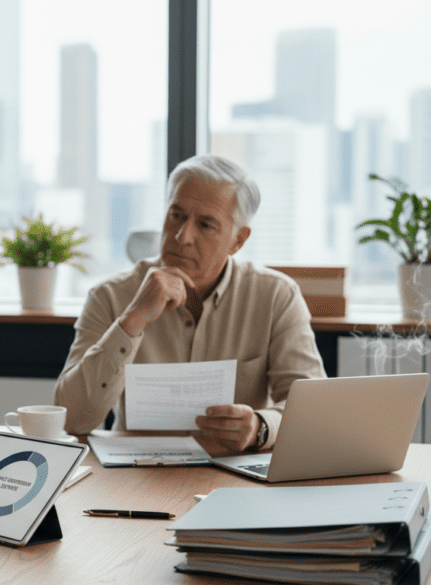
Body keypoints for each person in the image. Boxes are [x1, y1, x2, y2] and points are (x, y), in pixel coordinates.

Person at [54, 154, 326, 453]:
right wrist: (132, 320)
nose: (183, 237)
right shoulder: (110, 295)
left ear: (238, 240)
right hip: (134, 477)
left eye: (206, 224)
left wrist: (260, 428)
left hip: (232, 475)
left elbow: (313, 413)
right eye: (176, 216)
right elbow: (73, 421)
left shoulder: (276, 296)